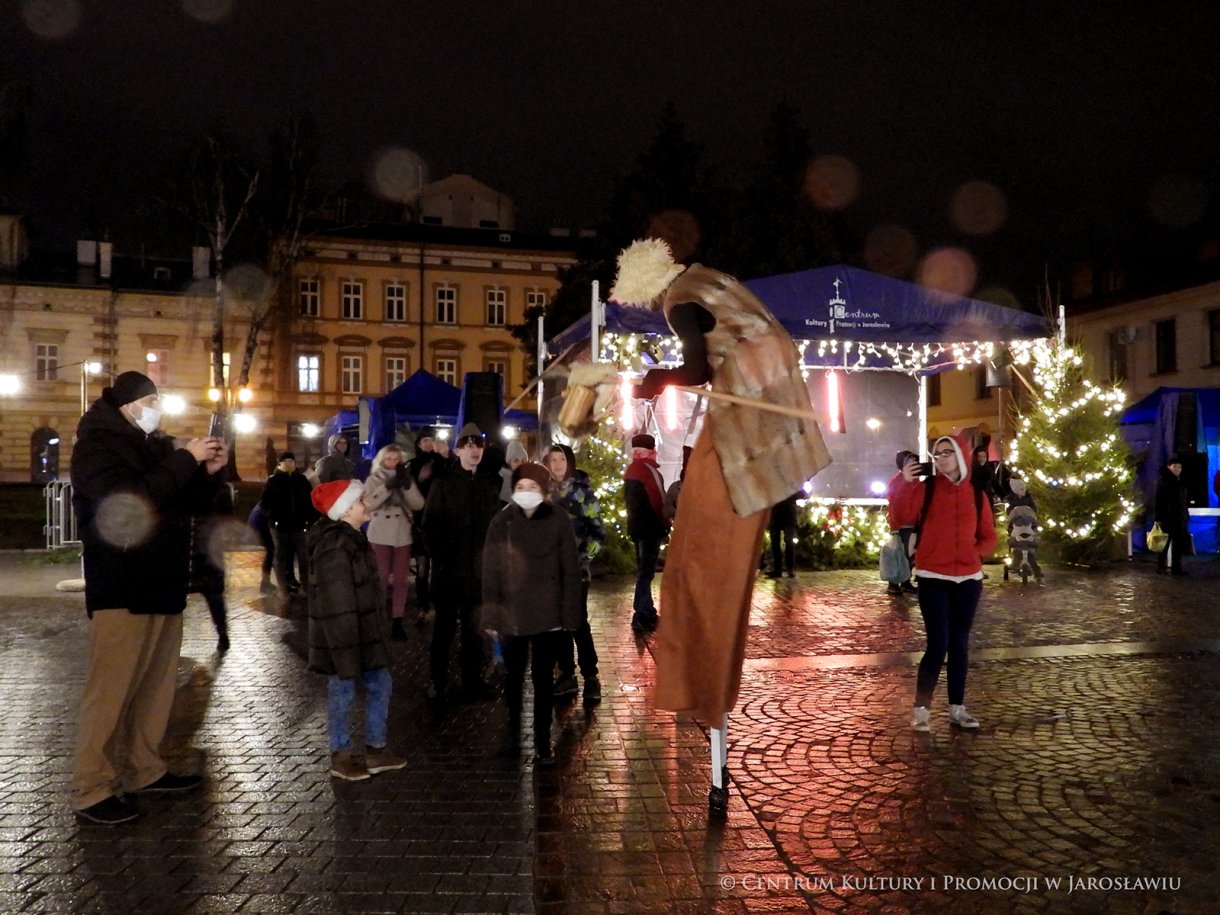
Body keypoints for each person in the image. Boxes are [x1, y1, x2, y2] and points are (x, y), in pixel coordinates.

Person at [611, 237, 831, 817]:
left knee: (695, 566)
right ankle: (703, 690)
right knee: (696, 562)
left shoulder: (680, 300)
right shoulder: (709, 277)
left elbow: (696, 366)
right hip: (764, 392)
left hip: (749, 407)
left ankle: (700, 683)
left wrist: (658, 379)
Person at [69, 370, 229, 825]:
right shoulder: (97, 447)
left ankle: (145, 768)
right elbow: (130, 501)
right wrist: (184, 460)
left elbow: (180, 500)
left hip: (162, 580)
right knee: (112, 689)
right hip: (122, 584)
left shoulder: (155, 445)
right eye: (152, 399)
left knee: (156, 687)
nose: (158, 407)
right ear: (127, 404)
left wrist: (208, 474)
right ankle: (91, 785)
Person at [890, 434, 997, 733]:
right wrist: (905, 483)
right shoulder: (926, 490)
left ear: (960, 456)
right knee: (938, 643)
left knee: (960, 644)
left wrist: (975, 554)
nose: (941, 458)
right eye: (937, 454)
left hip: (968, 580)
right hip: (933, 577)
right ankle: (921, 710)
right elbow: (900, 516)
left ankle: (957, 709)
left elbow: (989, 535)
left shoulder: (976, 494)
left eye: (947, 453)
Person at [306, 479, 408, 781]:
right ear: (346, 509)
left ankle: (375, 750)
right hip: (346, 639)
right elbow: (337, 600)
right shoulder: (336, 545)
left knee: (380, 684)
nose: (367, 504)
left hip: (365, 633)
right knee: (343, 692)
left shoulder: (352, 538)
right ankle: (341, 755)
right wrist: (345, 646)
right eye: (361, 500)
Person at [482, 462, 581, 764]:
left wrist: (570, 615)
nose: (526, 493)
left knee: (542, 680)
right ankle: (512, 736)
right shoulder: (502, 522)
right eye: (521, 487)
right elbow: (491, 570)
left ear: (544, 491)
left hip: (548, 615)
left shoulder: (559, 520)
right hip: (512, 614)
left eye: (533, 487)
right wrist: (491, 614)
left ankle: (542, 741)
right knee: (512, 681)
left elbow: (570, 570)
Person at [421, 422, 503, 702]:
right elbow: (429, 527)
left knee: (473, 632)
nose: (473, 450)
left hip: (479, 574)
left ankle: (472, 680)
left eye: (477, 445)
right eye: (467, 445)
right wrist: (442, 557)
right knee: (443, 632)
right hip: (448, 573)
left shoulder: (490, 484)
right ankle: (438, 680)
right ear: (457, 450)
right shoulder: (443, 483)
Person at [544, 443, 605, 706]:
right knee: (558, 625)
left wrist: (582, 557)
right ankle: (566, 673)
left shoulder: (582, 492)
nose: (557, 464)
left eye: (562, 459)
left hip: (576, 572)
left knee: (578, 622)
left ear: (569, 462)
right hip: (549, 573)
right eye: (553, 459)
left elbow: (597, 532)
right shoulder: (543, 491)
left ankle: (590, 675)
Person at [363, 443, 426, 640]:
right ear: (381, 460)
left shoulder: (407, 479)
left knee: (400, 580)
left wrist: (406, 486)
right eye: (389, 458)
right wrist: (387, 487)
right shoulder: (373, 479)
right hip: (380, 533)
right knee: (380, 579)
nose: (392, 462)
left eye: (396, 459)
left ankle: (397, 620)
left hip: (401, 534)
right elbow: (369, 504)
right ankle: (379, 619)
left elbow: (418, 504)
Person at [623, 433, 669, 633]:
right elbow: (659, 501)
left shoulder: (630, 470)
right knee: (646, 572)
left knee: (643, 570)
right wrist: (665, 523)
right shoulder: (649, 471)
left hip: (635, 527)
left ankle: (647, 610)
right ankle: (641, 613)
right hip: (650, 529)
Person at [259, 451, 319, 598]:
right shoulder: (273, 481)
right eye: (285, 461)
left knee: (303, 557)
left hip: (299, 525)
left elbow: (309, 502)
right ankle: (282, 588)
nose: (288, 463)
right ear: (280, 464)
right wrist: (273, 516)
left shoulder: (301, 480)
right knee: (281, 557)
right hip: (280, 526)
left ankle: (305, 587)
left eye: (291, 460)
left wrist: (309, 520)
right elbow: (264, 503)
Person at [189, 479, 236, 651]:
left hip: (203, 548)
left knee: (214, 594)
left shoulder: (218, 488)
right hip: (203, 548)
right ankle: (222, 633)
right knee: (214, 594)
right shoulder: (220, 487)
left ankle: (222, 633)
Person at [408, 427, 448, 625]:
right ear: (418, 443)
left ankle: (439, 603)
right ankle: (422, 604)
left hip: (440, 521)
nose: (428, 443)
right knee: (422, 568)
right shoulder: (413, 465)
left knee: (439, 567)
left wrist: (442, 458)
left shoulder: (441, 462)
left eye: (430, 440)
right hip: (420, 522)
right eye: (424, 440)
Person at [885, 450, 920, 596]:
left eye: (914, 461)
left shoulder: (917, 481)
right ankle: (894, 582)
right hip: (902, 524)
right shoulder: (897, 481)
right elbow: (894, 503)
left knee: (910, 554)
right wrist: (895, 526)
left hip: (914, 522)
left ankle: (906, 581)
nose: (913, 464)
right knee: (900, 553)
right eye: (909, 461)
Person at [1154, 455, 1191, 576]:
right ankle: (1161, 566)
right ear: (1169, 467)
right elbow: (1159, 501)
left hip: (1180, 517)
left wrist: (1186, 515)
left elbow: (1184, 501)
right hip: (1167, 517)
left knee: (1178, 544)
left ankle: (1177, 567)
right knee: (1164, 543)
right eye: (1175, 466)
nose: (1177, 469)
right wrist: (1158, 518)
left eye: (1179, 467)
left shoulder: (1182, 481)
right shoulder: (1163, 482)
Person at [766, 491, 800, 579]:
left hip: (788, 517)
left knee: (789, 543)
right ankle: (779, 569)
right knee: (775, 544)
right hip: (777, 516)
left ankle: (789, 569)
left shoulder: (790, 483)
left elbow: (801, 494)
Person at [246, 502, 277, 594]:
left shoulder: (267, 498)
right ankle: (266, 583)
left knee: (271, 552)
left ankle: (266, 582)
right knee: (273, 552)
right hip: (261, 524)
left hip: (258, 523)